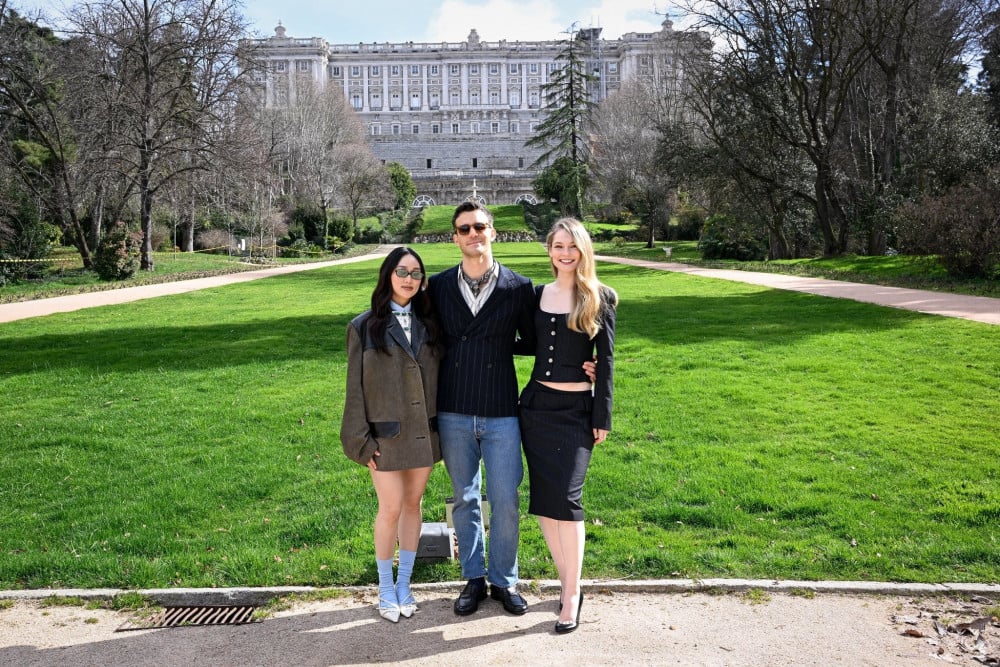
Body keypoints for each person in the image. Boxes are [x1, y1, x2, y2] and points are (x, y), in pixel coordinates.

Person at [427, 201, 538, 617]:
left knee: (506, 499)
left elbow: (535, 341)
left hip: (501, 409)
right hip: (453, 408)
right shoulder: (438, 286)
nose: (472, 234)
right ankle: (473, 577)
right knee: (464, 498)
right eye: (464, 229)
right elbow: (426, 338)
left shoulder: (518, 287)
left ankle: (504, 580)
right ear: (455, 237)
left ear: (493, 232)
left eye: (479, 227)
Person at [519, 217, 617, 634]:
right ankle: (567, 584)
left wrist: (601, 416)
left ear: (583, 250)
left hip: (577, 410)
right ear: (549, 250)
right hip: (536, 408)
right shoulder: (536, 295)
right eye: (558, 246)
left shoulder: (601, 296)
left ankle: (572, 595)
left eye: (572, 246)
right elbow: (525, 343)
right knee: (545, 499)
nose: (565, 253)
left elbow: (606, 360)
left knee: (568, 498)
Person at [340, 247, 442, 623]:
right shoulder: (363, 327)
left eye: (416, 273)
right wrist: (359, 439)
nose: (408, 279)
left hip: (424, 435)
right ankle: (385, 587)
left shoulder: (431, 325)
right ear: (387, 275)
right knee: (391, 508)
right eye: (401, 271)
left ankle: (404, 584)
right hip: (385, 439)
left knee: (413, 506)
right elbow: (355, 389)